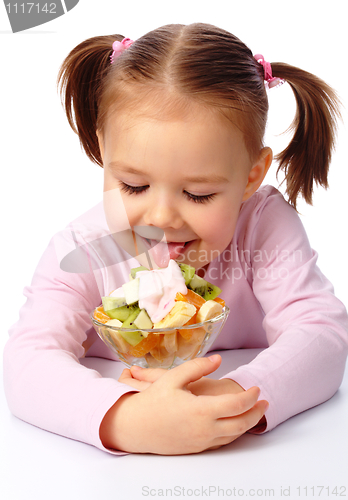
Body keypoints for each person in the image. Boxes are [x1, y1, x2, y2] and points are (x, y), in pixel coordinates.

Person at [4, 23, 348, 455]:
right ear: (104, 152)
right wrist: (125, 417)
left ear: (250, 176)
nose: (162, 217)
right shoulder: (85, 248)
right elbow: (27, 361)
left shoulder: (263, 228)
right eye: (132, 185)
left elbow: (321, 333)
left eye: (198, 194)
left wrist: (238, 394)